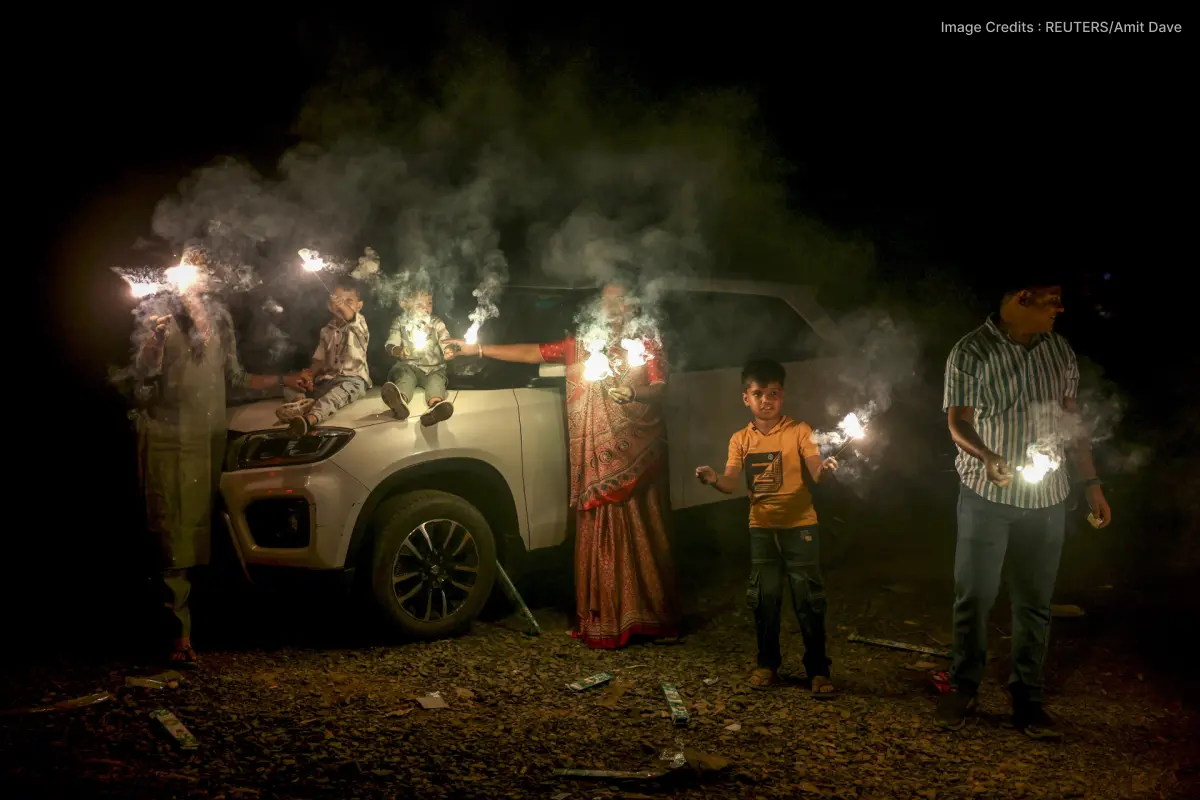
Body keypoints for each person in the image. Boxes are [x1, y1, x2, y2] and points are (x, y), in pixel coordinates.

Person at [444, 282, 681, 648]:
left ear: (636, 304)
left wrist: (633, 393)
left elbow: (661, 387)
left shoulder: (647, 341)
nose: (613, 307)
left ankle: (652, 616)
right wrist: (474, 348)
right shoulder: (582, 342)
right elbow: (533, 353)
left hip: (638, 451)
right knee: (598, 526)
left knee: (643, 529)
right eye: (607, 300)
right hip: (594, 459)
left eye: (621, 300)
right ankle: (604, 619)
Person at [940, 276, 1112, 738]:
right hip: (986, 495)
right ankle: (965, 686)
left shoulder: (1059, 351)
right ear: (1021, 299)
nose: (1059, 310)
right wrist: (989, 456)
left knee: (1035, 602)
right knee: (974, 595)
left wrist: (1092, 483)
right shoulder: (971, 351)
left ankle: (1027, 699)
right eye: (1051, 302)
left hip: (1047, 498)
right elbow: (958, 423)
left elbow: (1072, 423)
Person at [133, 271, 306, 665]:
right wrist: (151, 350)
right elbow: (137, 386)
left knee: (208, 531)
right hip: (169, 441)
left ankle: (217, 627)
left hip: (210, 440)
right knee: (172, 533)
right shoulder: (157, 317)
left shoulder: (220, 320)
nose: (198, 278)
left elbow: (236, 379)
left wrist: (285, 380)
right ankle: (177, 635)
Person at [695, 359, 841, 696]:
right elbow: (731, 481)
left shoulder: (800, 432)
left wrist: (826, 470)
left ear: (782, 396)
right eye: (758, 393)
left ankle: (818, 670)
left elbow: (816, 470)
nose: (766, 400)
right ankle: (767, 664)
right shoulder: (740, 440)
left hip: (801, 526)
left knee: (808, 600)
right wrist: (715, 479)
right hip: (761, 527)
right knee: (765, 598)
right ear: (746, 398)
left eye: (773, 393)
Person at [276, 280, 371, 438]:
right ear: (329, 306)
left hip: (352, 380)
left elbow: (349, 315)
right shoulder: (326, 330)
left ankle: (308, 420)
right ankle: (301, 403)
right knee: (292, 382)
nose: (342, 304)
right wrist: (309, 376)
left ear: (359, 306)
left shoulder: (359, 323)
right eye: (338, 300)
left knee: (335, 397)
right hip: (326, 380)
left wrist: (342, 305)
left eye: (349, 301)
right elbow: (319, 359)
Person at [381, 289, 456, 426]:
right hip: (408, 366)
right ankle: (399, 402)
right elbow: (391, 343)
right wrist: (398, 350)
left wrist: (448, 350)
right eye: (419, 304)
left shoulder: (436, 322)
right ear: (405, 304)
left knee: (436, 382)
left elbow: (445, 339)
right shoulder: (399, 322)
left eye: (429, 303)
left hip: (433, 368)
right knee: (404, 378)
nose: (425, 308)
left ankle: (435, 407)